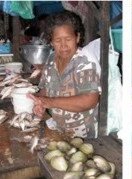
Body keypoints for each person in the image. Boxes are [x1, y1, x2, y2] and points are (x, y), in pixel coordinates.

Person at [27, 11, 101, 139]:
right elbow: (45, 88)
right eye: (57, 41)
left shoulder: (85, 61)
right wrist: (39, 102)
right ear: (51, 42)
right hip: (59, 130)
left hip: (84, 136)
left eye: (68, 39)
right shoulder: (51, 59)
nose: (63, 46)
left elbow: (90, 100)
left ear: (77, 37)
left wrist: (50, 102)